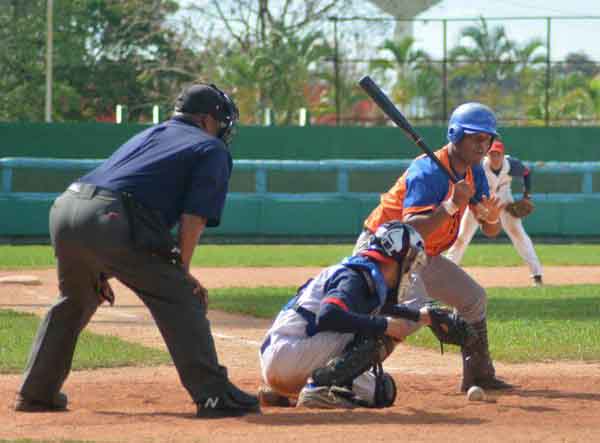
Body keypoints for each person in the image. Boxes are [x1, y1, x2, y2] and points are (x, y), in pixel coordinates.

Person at [15, 83, 260, 418]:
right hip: (112, 217)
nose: (222, 130)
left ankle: (36, 392)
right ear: (206, 120)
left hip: (67, 208)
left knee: (75, 300)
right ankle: (214, 394)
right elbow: (193, 217)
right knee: (180, 296)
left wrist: (98, 267)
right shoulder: (210, 148)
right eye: (221, 122)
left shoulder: (152, 134)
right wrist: (181, 271)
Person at [354, 103, 513, 392]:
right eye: (476, 137)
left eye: (487, 139)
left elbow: (490, 229)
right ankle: (347, 371)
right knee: (411, 314)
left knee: (473, 298)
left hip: (421, 255)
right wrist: (452, 204)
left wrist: (490, 219)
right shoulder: (427, 171)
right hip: (383, 251)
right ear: (456, 135)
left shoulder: (474, 172)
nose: (483, 145)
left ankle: (479, 374)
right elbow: (410, 228)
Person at [259, 221, 467, 409]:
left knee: (382, 392)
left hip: (286, 354)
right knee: (379, 330)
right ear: (394, 258)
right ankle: (318, 389)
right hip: (291, 354)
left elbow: (371, 308)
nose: (409, 271)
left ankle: (282, 391)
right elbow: (329, 315)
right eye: (409, 261)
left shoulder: (361, 274)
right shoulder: (354, 277)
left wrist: (420, 317)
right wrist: (385, 326)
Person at [446, 140, 543, 286]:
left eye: (498, 154)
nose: (495, 157)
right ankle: (447, 272)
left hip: (504, 199)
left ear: (503, 155)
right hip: (480, 200)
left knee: (518, 233)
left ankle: (537, 275)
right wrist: (476, 206)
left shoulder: (511, 165)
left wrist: (526, 196)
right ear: (487, 154)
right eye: (492, 154)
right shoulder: (479, 166)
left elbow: (527, 172)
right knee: (461, 237)